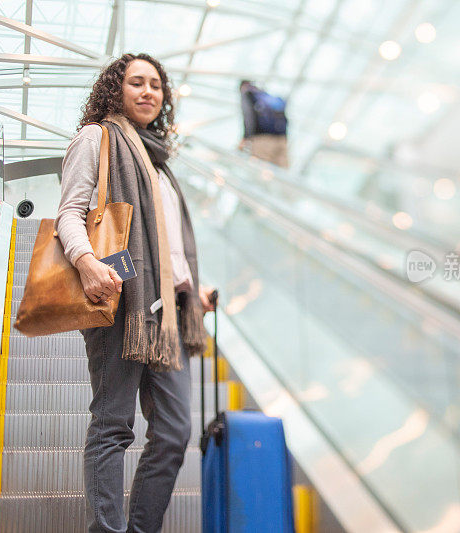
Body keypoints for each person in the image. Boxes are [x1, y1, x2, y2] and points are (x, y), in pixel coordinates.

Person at [55, 53, 214, 533]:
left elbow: (167, 247)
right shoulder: (96, 137)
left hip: (166, 313)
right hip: (119, 301)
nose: (148, 92)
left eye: (156, 86)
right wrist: (87, 263)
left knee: (172, 433)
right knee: (113, 425)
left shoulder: (161, 163)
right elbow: (70, 213)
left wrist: (192, 286)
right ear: (115, 90)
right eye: (136, 83)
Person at [238, 80, 290, 168]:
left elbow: (249, 117)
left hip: (262, 139)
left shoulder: (248, 95)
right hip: (281, 139)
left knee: (263, 171)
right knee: (283, 173)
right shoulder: (263, 93)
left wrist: (246, 138)